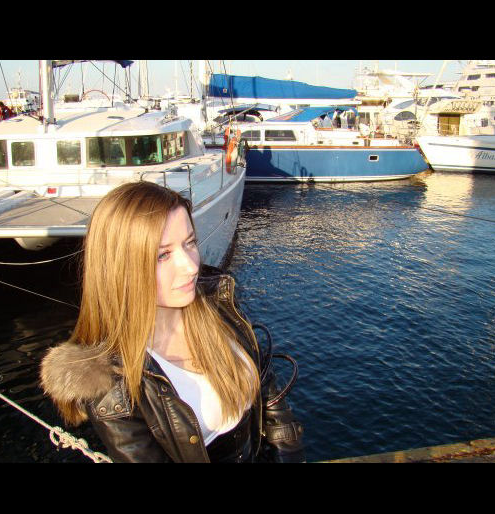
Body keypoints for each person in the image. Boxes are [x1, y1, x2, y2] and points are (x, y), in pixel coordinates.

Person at [40, 181, 305, 463]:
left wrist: (288, 454)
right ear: (121, 267)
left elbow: (268, 393)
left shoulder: (217, 301)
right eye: (162, 255)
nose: (190, 266)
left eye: (190, 243)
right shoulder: (110, 381)